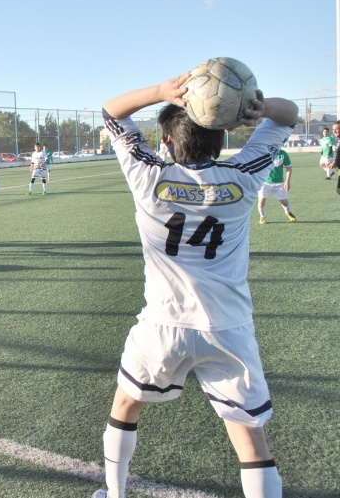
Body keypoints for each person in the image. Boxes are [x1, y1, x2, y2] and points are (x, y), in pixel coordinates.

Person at [92, 71, 298, 498]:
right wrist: (258, 108)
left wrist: (160, 92)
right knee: (249, 439)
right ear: (223, 137)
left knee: (126, 407)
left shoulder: (148, 178)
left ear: (166, 142)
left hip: (162, 325)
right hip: (228, 328)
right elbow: (289, 115)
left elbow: (112, 112)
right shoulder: (243, 178)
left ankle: (114, 495)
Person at [258, 148, 296, 224]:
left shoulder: (283, 154)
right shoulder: (263, 153)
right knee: (261, 201)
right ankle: (262, 217)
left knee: (284, 202)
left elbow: (288, 167)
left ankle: (288, 213)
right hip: (265, 182)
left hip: (279, 183)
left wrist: (287, 181)